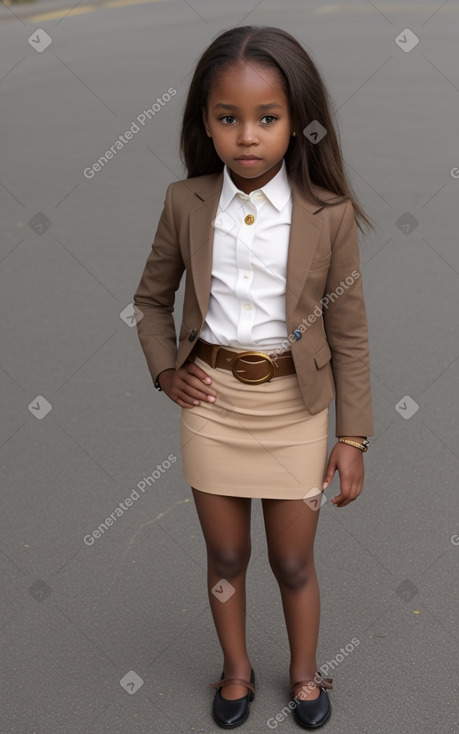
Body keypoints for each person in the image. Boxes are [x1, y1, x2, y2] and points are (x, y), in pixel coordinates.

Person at [133, 25, 374, 730]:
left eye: (266, 118)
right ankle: (235, 671)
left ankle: (304, 672)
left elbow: (349, 328)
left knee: (292, 559)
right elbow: (149, 301)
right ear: (204, 123)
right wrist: (164, 372)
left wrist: (352, 436)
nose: (246, 135)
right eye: (227, 118)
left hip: (295, 407)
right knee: (226, 552)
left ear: (296, 122)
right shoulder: (186, 203)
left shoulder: (327, 215)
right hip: (211, 403)